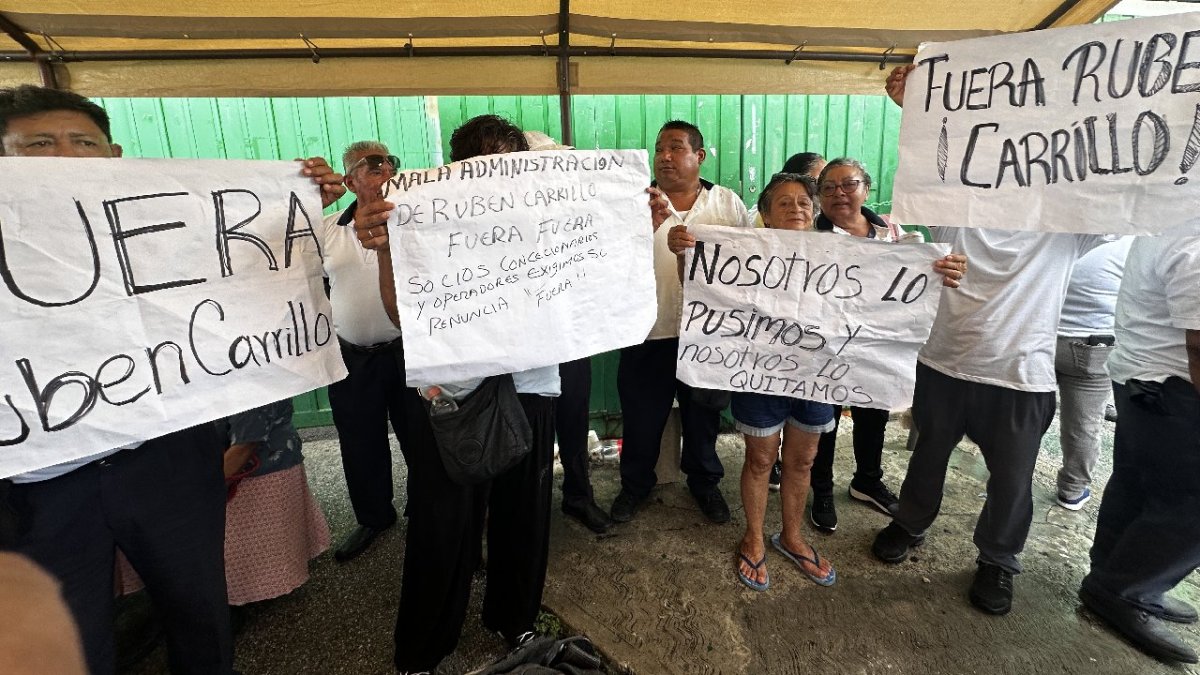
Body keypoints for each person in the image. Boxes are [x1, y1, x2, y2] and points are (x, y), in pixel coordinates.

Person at [0, 84, 345, 675]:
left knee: (198, 609)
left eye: (82, 142)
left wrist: (304, 197)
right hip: (36, 480)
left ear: (114, 158)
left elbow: (244, 278)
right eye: (38, 143)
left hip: (163, 459)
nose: (62, 156)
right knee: (60, 635)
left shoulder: (161, 222)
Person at [871, 65, 1110, 617]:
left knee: (1013, 482)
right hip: (945, 366)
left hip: (1020, 377)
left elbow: (1126, 194)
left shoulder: (1067, 229)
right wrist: (914, 106)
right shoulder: (961, 214)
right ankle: (909, 525)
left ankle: (998, 561)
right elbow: (937, 160)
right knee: (926, 459)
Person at [352, 115, 558, 673]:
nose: (493, 176)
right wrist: (388, 247)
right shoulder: (424, 216)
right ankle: (421, 651)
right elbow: (399, 313)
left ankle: (514, 621)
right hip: (451, 392)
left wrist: (638, 221)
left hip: (532, 386)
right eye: (479, 165)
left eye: (505, 164)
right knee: (442, 526)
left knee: (524, 517)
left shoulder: (553, 213)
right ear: (456, 169)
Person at [611, 120, 752, 526]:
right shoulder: (633, 203)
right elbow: (610, 261)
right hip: (646, 333)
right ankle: (634, 486)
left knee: (702, 418)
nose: (664, 157)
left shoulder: (727, 204)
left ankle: (705, 483)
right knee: (641, 418)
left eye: (675, 148)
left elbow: (747, 267)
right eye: (659, 149)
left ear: (699, 156)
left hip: (707, 335)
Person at [1076, 224, 1200, 664]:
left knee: (1137, 483)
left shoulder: (1168, 221)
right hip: (1174, 387)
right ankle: (1125, 590)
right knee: (1188, 504)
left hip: (1141, 379)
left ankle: (1113, 575)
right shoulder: (1193, 236)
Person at [722, 174, 838, 590]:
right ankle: (753, 537)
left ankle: (791, 536)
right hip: (760, 375)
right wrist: (684, 255)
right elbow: (706, 292)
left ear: (815, 211)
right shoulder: (743, 255)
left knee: (803, 461)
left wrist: (938, 270)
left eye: (804, 203)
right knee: (759, 461)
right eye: (783, 203)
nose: (796, 209)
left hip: (817, 377)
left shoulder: (839, 255)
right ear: (766, 215)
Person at [807, 156, 923, 532]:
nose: (839, 193)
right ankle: (821, 488)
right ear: (820, 196)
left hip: (877, 346)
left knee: (873, 414)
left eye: (849, 184)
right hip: (822, 347)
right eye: (829, 187)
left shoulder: (891, 230)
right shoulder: (808, 235)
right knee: (823, 420)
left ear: (866, 188)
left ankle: (867, 481)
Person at [322, 141, 426, 561]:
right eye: (373, 163)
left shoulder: (414, 221)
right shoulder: (327, 229)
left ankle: (425, 509)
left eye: (390, 161)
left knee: (420, 437)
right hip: (350, 356)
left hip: (406, 351)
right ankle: (374, 517)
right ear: (349, 181)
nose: (386, 168)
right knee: (359, 441)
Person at [524, 130, 612, 534]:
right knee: (524, 430)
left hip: (571, 338)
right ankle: (528, 505)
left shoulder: (579, 211)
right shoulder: (501, 216)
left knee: (573, 423)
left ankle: (578, 497)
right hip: (522, 348)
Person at [1052, 237, 1132, 510]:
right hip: (1094, 344)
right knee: (1084, 424)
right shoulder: (1132, 243)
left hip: (1042, 335)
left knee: (1028, 413)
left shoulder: (1059, 236)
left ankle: (1009, 478)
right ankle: (1072, 490)